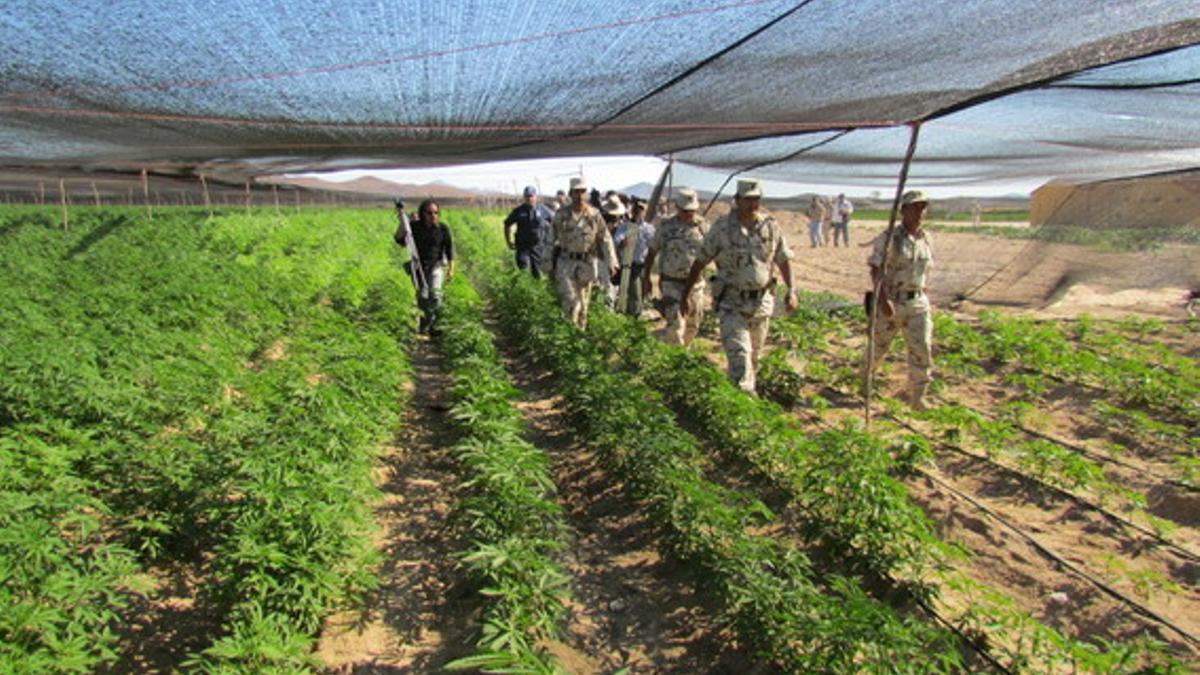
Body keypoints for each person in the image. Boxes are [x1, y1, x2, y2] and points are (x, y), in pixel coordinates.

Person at [680, 179, 797, 394]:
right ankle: (745, 416)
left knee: (754, 358)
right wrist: (685, 295)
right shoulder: (722, 228)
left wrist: (792, 290)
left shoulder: (770, 226)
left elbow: (783, 259)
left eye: (756, 199)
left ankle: (734, 401)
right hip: (731, 303)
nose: (753, 204)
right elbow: (700, 262)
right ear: (737, 200)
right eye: (748, 199)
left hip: (761, 303)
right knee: (741, 360)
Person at [862, 190, 934, 409]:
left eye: (922, 207)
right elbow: (876, 270)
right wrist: (883, 300)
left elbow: (924, 270)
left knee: (922, 348)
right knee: (878, 346)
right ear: (903, 210)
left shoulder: (926, 238)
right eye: (914, 207)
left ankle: (918, 396)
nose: (919, 212)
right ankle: (865, 380)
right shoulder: (890, 238)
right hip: (892, 302)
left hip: (918, 302)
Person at [548, 177, 618, 328]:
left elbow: (605, 238)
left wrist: (611, 261)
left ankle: (579, 338)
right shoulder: (561, 215)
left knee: (583, 307)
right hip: (566, 264)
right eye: (576, 192)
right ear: (570, 193)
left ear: (586, 193)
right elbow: (549, 240)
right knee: (571, 303)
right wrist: (548, 266)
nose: (579, 195)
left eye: (582, 191)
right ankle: (569, 338)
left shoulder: (594, 215)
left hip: (587, 264)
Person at [642, 187, 707, 345]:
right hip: (671, 283)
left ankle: (684, 354)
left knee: (693, 324)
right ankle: (674, 358)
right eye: (684, 210)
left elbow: (713, 251)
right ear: (677, 207)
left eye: (691, 210)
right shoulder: (665, 226)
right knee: (676, 325)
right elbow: (651, 252)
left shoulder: (702, 226)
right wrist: (647, 278)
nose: (688, 213)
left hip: (695, 285)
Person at [394, 198, 454, 335]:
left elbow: (450, 250)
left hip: (436, 267)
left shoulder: (442, 229)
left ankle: (435, 327)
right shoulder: (414, 227)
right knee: (423, 297)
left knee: (435, 297)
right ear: (423, 213)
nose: (433, 215)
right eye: (429, 213)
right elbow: (399, 240)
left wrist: (451, 269)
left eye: (436, 213)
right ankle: (424, 324)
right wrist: (403, 222)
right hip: (418, 267)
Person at [613, 198, 655, 316]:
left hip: (643, 266)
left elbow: (654, 245)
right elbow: (617, 241)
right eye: (637, 208)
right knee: (635, 294)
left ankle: (634, 315)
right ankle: (633, 318)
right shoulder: (625, 226)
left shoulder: (649, 228)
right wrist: (623, 243)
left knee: (642, 293)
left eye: (641, 209)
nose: (638, 211)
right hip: (630, 266)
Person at [504, 185, 555, 278]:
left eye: (531, 196)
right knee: (524, 272)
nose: (529, 198)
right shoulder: (518, 211)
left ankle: (535, 291)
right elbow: (507, 224)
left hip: (538, 247)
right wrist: (508, 241)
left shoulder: (542, 209)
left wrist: (551, 239)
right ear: (524, 197)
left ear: (535, 197)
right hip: (522, 247)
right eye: (527, 196)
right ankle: (524, 290)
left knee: (538, 274)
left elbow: (555, 221)